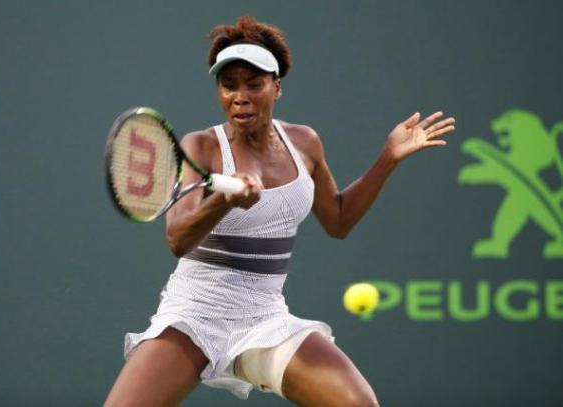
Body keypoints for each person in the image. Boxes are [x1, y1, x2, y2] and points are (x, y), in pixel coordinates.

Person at [104, 16, 455, 407]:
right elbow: (177, 238)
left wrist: (387, 158)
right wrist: (225, 200)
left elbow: (338, 220)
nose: (240, 96)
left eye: (254, 84)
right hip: (194, 315)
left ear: (277, 88)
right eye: (228, 85)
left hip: (265, 317)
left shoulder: (305, 143)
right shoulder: (201, 147)